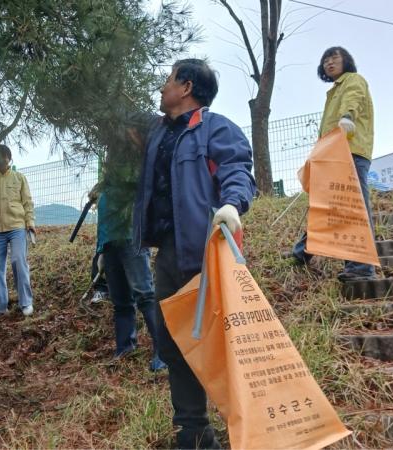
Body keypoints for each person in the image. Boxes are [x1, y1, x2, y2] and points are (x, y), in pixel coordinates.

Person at [133, 59, 256, 449]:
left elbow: (237, 167)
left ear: (185, 87)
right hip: (168, 251)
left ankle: (249, 426)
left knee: (216, 344)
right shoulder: (159, 134)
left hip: (205, 250)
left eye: (168, 80)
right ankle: (193, 431)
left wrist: (233, 204)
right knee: (172, 342)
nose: (162, 86)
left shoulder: (214, 128)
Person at [289, 46, 377, 281]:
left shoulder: (353, 80)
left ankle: (361, 268)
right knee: (327, 205)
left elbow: (354, 99)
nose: (329, 62)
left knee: (352, 208)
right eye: (325, 59)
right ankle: (302, 253)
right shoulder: (333, 91)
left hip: (351, 152)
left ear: (346, 61)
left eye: (334, 58)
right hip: (333, 154)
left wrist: (348, 116)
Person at [91, 113, 166, 371]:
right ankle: (125, 346)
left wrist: (107, 185)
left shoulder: (141, 158)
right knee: (121, 299)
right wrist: (101, 187)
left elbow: (138, 185)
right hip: (109, 235)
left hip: (130, 233)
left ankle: (163, 352)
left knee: (145, 293)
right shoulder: (114, 160)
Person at [0, 144, 36, 318]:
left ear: (9, 159)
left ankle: (26, 302)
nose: (2, 160)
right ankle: (0, 307)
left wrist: (30, 222)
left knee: (19, 261)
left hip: (17, 227)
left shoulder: (19, 178)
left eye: (5, 157)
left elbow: (28, 202)